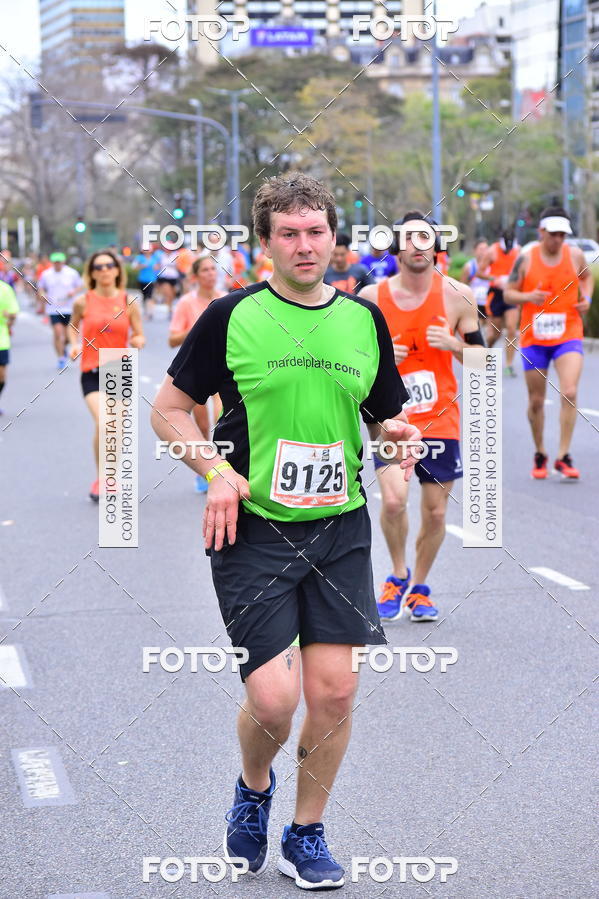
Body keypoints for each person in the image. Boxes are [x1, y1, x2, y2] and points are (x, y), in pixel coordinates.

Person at [151, 172, 420, 890]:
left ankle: (306, 832)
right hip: (254, 528)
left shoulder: (362, 320)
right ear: (265, 243)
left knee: (334, 693)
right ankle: (253, 786)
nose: (305, 245)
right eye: (289, 233)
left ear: (335, 237)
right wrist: (215, 470)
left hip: (339, 527)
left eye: (316, 231)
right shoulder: (230, 316)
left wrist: (395, 435)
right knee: (273, 700)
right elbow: (167, 410)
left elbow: (381, 415)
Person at [360, 211, 481, 622]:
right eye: (409, 238)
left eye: (425, 238)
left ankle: (421, 588)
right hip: (390, 418)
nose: (417, 245)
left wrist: (453, 343)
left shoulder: (459, 295)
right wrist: (379, 360)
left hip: (440, 418)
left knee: (436, 512)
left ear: (437, 248)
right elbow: (348, 361)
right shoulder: (372, 298)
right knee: (394, 501)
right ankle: (398, 574)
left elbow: (484, 362)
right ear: (396, 248)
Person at [504, 206, 592, 480]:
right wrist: (527, 296)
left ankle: (563, 456)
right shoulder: (526, 259)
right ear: (541, 232)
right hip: (534, 338)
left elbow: (587, 277)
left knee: (570, 392)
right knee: (536, 401)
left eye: (562, 235)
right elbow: (508, 294)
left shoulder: (575, 255)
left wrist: (587, 299)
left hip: (568, 334)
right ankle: (540, 451)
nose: (558, 239)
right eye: (553, 234)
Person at [68, 250, 145, 501]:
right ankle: (101, 478)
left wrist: (138, 340)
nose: (104, 270)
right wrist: (73, 344)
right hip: (91, 369)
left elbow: (138, 333)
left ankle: (110, 476)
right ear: (91, 273)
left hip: (118, 369)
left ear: (117, 270)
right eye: (98, 267)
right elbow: (73, 326)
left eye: (109, 265)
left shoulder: (128, 301)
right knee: (104, 422)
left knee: (117, 429)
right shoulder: (83, 301)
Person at [169, 256, 224, 493]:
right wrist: (200, 327)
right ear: (195, 276)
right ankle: (204, 469)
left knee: (223, 417)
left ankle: (225, 467)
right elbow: (172, 340)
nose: (210, 274)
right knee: (202, 424)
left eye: (213, 269)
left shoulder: (226, 300)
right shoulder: (185, 303)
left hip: (225, 367)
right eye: (205, 270)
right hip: (197, 368)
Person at [38, 252, 83, 370]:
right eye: (55, 262)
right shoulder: (46, 274)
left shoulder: (71, 273)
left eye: (59, 262)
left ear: (63, 262)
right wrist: (43, 295)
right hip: (54, 309)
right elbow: (41, 288)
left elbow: (80, 285)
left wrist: (74, 292)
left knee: (68, 337)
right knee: (58, 333)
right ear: (52, 262)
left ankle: (63, 348)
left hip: (69, 308)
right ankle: (61, 358)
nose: (57, 264)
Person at [485, 229, 520, 376]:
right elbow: (480, 272)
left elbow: (522, 272)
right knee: (496, 333)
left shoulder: (519, 251)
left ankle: (509, 365)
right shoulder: (491, 251)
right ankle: (488, 349)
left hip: (510, 293)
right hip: (496, 294)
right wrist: (495, 279)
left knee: (512, 329)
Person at [461, 238, 493, 320]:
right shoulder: (469, 266)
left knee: (492, 326)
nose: (484, 252)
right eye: (481, 249)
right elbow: (462, 287)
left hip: (490, 302)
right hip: (475, 303)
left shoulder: (493, 265)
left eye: (486, 249)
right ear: (475, 251)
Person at [0, 279, 19, 415]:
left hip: (1, 338)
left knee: (1, 376)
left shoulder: (5, 289)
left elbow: (13, 313)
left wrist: (10, 318)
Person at [132, 246, 161, 318]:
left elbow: (158, 267)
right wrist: (142, 266)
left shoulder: (154, 258)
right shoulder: (139, 258)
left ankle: (150, 312)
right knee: (144, 296)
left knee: (149, 296)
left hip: (151, 280)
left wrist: (156, 268)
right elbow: (134, 267)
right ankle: (146, 310)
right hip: (142, 280)